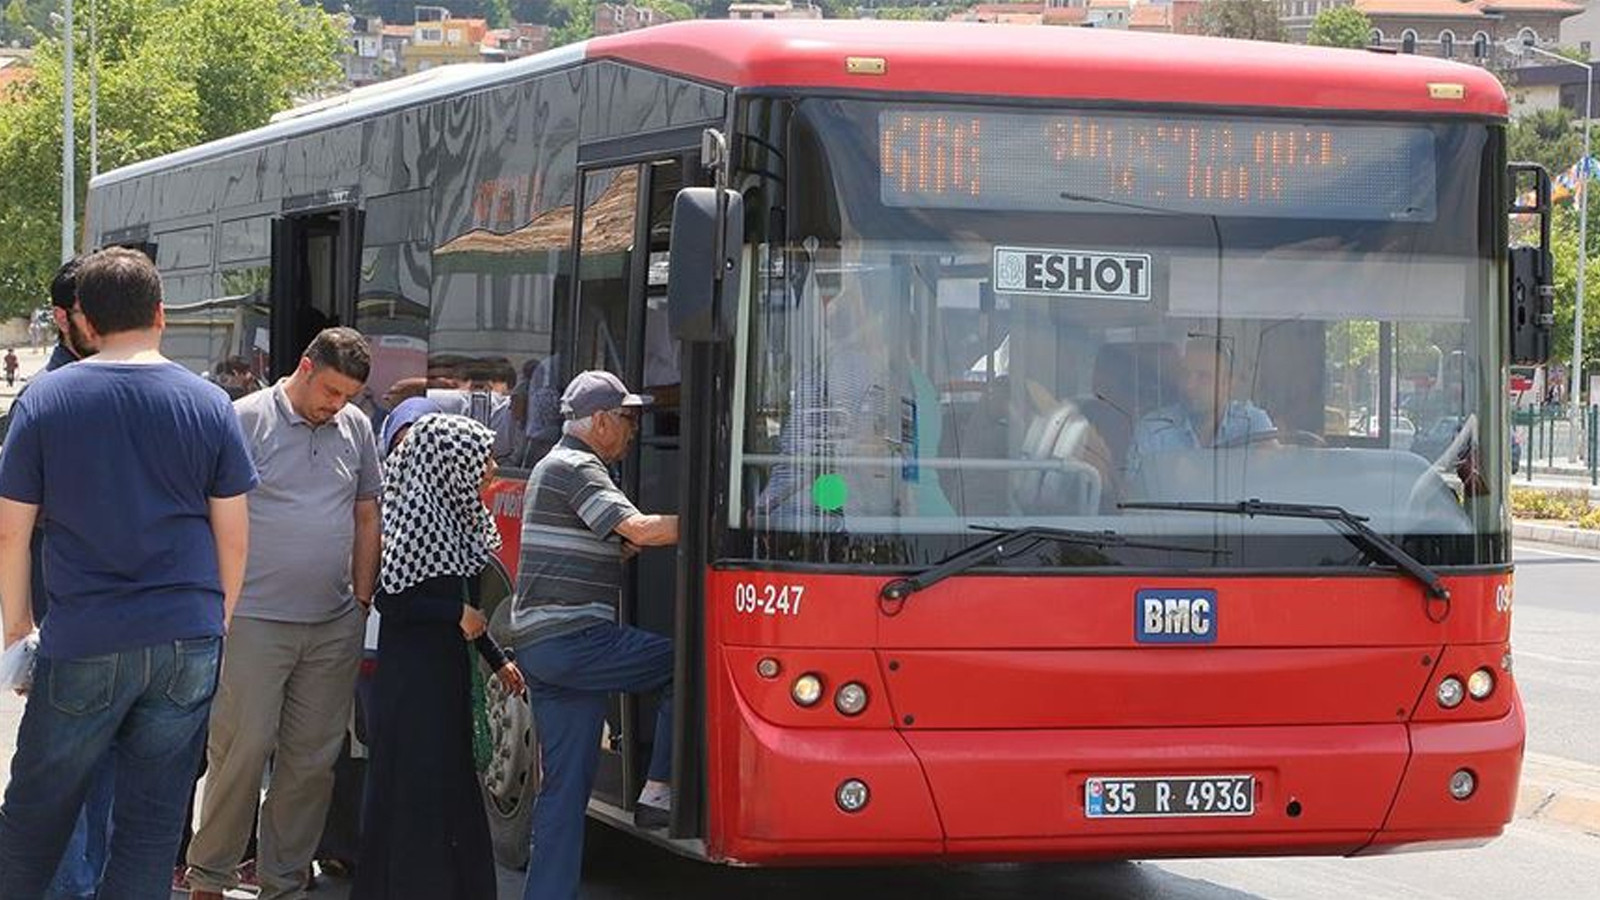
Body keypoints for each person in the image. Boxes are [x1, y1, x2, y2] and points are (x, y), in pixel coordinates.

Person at [0, 247, 256, 898]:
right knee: (149, 827)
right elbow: (233, 532)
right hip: (188, 636)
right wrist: (217, 617)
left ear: (82, 321)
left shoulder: (46, 399)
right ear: (162, 315)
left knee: (35, 818)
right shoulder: (209, 403)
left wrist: (16, 630)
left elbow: (11, 529)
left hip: (86, 633)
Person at [186, 327, 382, 900]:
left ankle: (285, 880)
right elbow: (207, 513)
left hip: (332, 624)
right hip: (252, 620)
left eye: (348, 395)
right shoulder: (245, 419)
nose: (336, 404)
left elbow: (367, 513)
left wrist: (361, 599)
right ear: (303, 367)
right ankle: (211, 877)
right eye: (330, 390)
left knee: (311, 764)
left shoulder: (356, 428)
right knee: (239, 752)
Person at [509, 370, 680, 900]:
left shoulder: (552, 465)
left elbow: (615, 543)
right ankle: (658, 791)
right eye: (628, 419)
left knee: (563, 794)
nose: (633, 431)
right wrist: (716, 520)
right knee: (686, 664)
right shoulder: (579, 466)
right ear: (601, 421)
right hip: (573, 640)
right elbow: (643, 531)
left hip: (543, 649)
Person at [352, 413, 524, 900]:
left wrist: (497, 659)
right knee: (416, 797)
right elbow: (395, 600)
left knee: (449, 793)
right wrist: (453, 613)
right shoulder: (409, 524)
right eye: (480, 460)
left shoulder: (459, 523)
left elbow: (473, 615)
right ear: (446, 464)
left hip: (444, 682)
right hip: (413, 690)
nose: (489, 469)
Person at [1125, 336, 1276, 480]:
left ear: (1228, 384)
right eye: (1184, 374)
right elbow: (1134, 493)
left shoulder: (1253, 424)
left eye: (1203, 377)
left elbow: (1270, 483)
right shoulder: (1153, 429)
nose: (1189, 385)